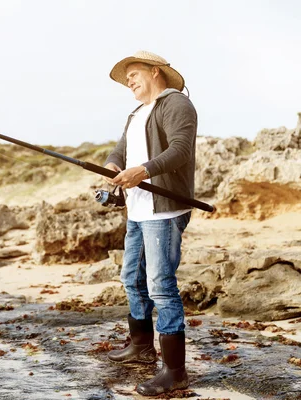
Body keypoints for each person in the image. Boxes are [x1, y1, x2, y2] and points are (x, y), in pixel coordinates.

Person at [103, 51, 197, 396]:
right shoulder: (137, 113)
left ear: (155, 72)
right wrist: (114, 166)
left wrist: (142, 170)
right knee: (131, 278)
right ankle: (141, 346)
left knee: (160, 286)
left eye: (134, 73)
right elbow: (120, 150)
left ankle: (175, 371)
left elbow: (180, 151)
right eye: (126, 77)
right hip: (138, 210)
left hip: (165, 210)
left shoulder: (175, 104)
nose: (128, 81)